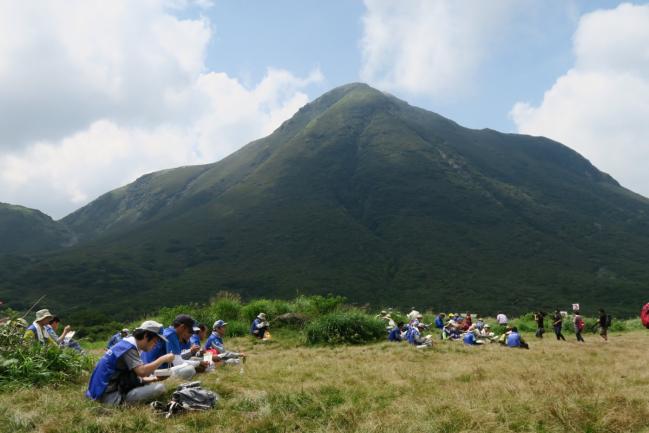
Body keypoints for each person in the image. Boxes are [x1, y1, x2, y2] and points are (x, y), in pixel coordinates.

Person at [86, 321, 174, 405]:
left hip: (100, 392)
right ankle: (123, 402)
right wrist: (163, 359)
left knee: (151, 384)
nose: (155, 344)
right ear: (146, 336)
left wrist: (155, 378)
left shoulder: (126, 344)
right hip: (109, 397)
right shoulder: (129, 349)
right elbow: (142, 372)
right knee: (160, 388)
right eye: (155, 341)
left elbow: (133, 377)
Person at [141, 314, 205, 379]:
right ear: (182, 327)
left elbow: (178, 359)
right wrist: (198, 363)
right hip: (155, 372)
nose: (191, 334)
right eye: (190, 331)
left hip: (150, 368)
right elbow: (178, 363)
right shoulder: (171, 335)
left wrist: (196, 362)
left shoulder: (169, 332)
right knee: (190, 370)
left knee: (192, 362)